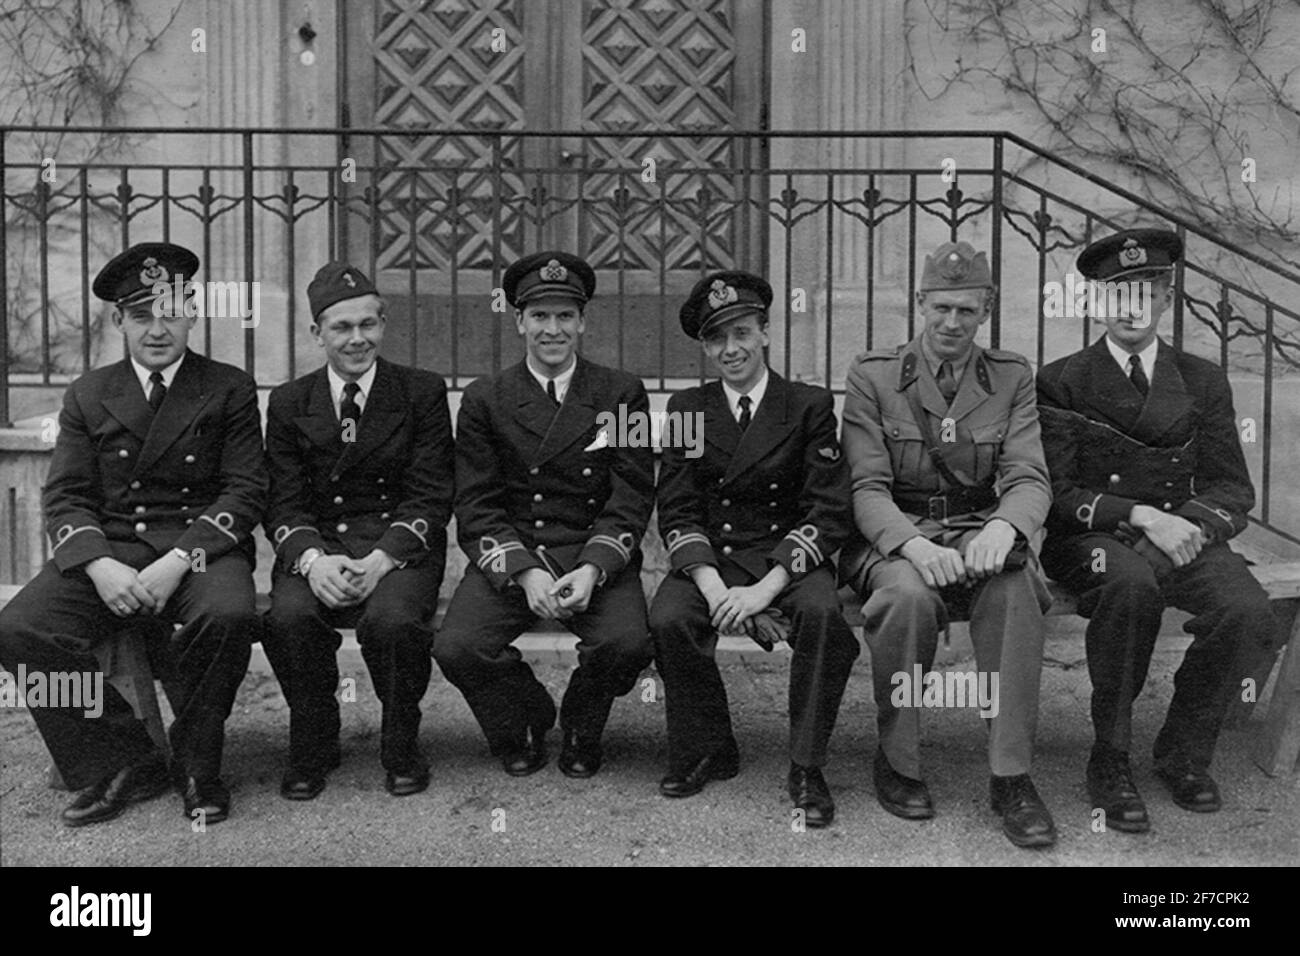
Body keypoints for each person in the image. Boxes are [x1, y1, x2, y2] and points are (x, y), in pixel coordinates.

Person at [0, 242, 265, 826]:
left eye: (171, 312)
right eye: (143, 316)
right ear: (120, 320)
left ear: (192, 311)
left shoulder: (228, 387)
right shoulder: (89, 393)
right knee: (18, 630)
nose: (158, 329)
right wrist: (98, 564)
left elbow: (244, 491)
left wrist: (177, 562)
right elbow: (67, 495)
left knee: (227, 615)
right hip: (114, 548)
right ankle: (122, 756)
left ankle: (199, 764)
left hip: (199, 549)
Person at [1036, 228, 1276, 832]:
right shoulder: (1062, 380)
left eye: (1146, 291)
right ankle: (1109, 759)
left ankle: (1183, 753)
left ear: (1167, 298)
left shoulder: (1201, 379)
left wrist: (1186, 525)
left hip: (1180, 534)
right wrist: (1142, 517)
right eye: (1118, 293)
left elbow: (1231, 489)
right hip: (1091, 540)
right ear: (1096, 302)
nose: (1131, 307)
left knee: (1247, 610)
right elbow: (1059, 495)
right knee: (1131, 587)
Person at [840, 240, 1057, 848]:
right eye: (941, 308)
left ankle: (1010, 777)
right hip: (899, 538)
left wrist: (1005, 527)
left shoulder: (1011, 376)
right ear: (920, 304)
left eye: (966, 309)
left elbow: (1028, 475)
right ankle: (899, 761)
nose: (952, 323)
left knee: (1015, 592)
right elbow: (866, 485)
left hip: (978, 529)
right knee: (904, 601)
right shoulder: (874, 375)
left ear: (985, 309)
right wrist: (912, 546)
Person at [432, 251, 654, 778]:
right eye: (539, 316)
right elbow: (478, 503)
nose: (551, 329)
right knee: (457, 646)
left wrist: (596, 565)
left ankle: (581, 720)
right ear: (518, 322)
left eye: (563, 317)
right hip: (517, 550)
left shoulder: (622, 393)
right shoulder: (486, 399)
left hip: (590, 550)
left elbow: (632, 494)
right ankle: (523, 716)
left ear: (582, 322)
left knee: (628, 643)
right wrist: (522, 570)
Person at [649, 270, 859, 828]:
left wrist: (767, 587)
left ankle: (807, 765)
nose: (731, 349)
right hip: (714, 558)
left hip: (786, 557)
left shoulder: (809, 405)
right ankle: (709, 746)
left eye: (742, 333)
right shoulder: (688, 407)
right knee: (670, 616)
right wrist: (714, 586)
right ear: (704, 346)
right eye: (717, 339)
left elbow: (827, 511)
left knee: (821, 614)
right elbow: (677, 508)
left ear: (766, 333)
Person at [261, 263, 454, 799]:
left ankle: (401, 742)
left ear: (383, 326)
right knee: (288, 617)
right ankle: (314, 739)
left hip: (397, 549)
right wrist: (312, 560)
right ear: (316, 334)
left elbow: (431, 494)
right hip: (318, 549)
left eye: (368, 324)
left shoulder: (419, 392)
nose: (357, 339)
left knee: (393, 622)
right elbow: (282, 501)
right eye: (341, 328)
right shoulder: (289, 402)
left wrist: (381, 559)